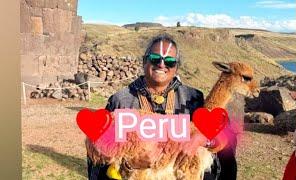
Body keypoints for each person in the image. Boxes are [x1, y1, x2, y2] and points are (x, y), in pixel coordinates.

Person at [86, 34, 221, 180]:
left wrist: (202, 139)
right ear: (145, 61)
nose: (162, 65)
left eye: (169, 61)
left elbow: (218, 143)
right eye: (155, 59)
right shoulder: (121, 101)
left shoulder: (193, 99)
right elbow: (98, 158)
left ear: (176, 67)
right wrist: (129, 164)